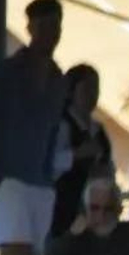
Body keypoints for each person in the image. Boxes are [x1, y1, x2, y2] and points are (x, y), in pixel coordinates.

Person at [0, 0, 66, 255]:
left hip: (39, 183)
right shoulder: (8, 71)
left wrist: (49, 176)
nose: (48, 32)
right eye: (42, 25)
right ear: (29, 27)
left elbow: (52, 131)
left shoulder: (57, 78)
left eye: (54, 25)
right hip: (9, 180)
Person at [50, 63, 112, 239]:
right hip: (65, 210)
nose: (93, 95)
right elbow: (51, 163)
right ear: (72, 91)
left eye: (96, 88)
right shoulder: (62, 125)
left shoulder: (98, 129)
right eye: (87, 88)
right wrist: (77, 154)